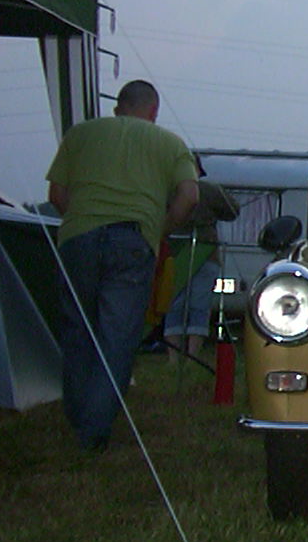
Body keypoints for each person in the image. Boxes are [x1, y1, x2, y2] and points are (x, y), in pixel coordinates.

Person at [46, 80, 198, 449]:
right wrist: (159, 229)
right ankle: (93, 430)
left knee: (79, 330)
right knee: (118, 337)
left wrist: (81, 222)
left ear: (118, 107)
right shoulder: (170, 144)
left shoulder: (80, 134)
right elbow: (189, 196)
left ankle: (78, 414)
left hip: (79, 237)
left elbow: (57, 194)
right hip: (133, 239)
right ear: (153, 111)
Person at [162, 176, 238, 366]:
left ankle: (173, 358)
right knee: (199, 306)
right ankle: (193, 356)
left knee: (173, 304)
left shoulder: (168, 187)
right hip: (206, 253)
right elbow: (233, 211)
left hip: (174, 253)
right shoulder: (210, 190)